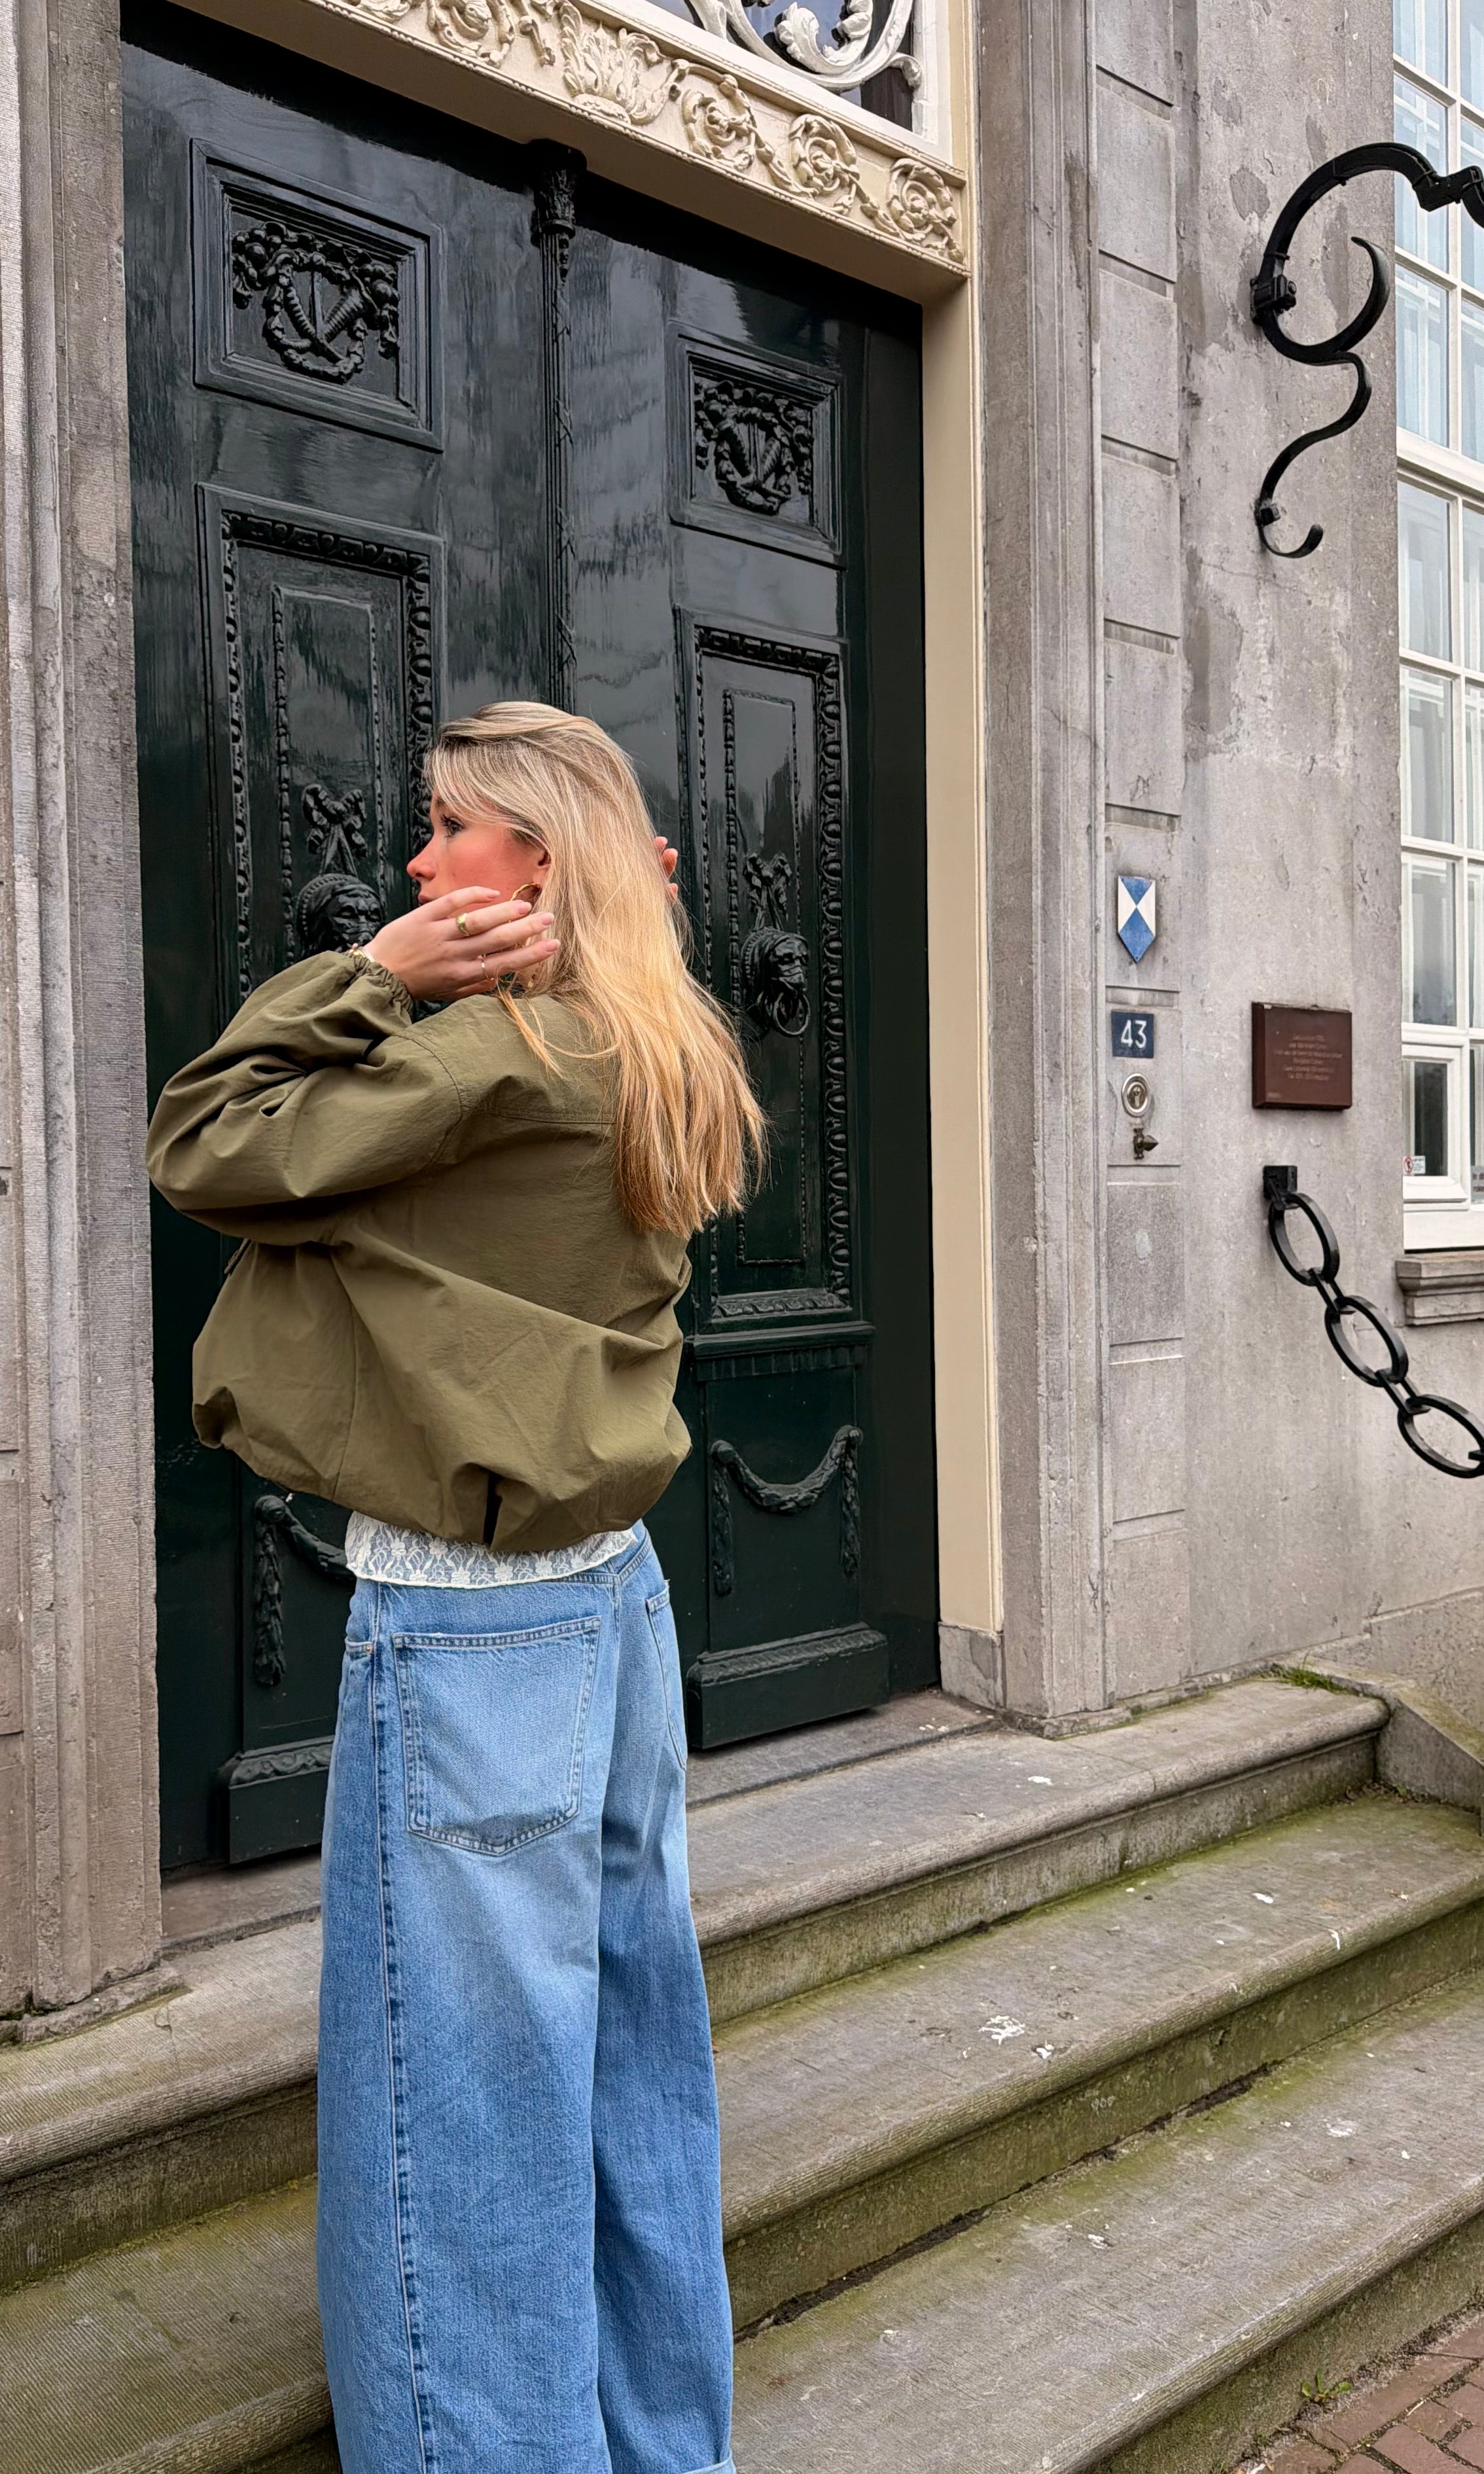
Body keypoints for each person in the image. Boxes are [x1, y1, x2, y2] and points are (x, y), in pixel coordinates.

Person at [146, 702, 765, 2474]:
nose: (416, 863)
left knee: (464, 2105)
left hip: (476, 1626)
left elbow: (204, 1139)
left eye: (446, 827)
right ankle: (659, 2443)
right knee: (627, 2054)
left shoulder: (489, 1055)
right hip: (609, 1604)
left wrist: (371, 972)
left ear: (533, 861)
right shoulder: (654, 1038)